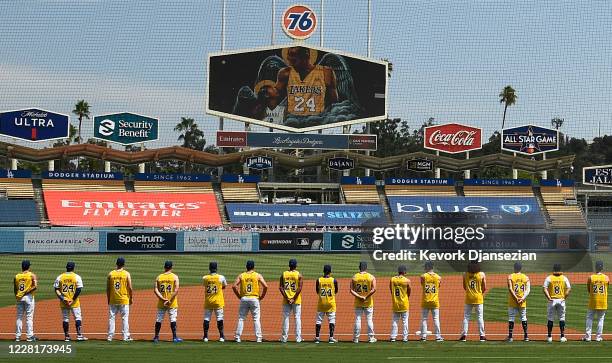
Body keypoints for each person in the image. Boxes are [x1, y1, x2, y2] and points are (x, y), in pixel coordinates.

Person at [275, 46, 338, 117]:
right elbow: (274, 98)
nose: (290, 64)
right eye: (289, 60)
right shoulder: (285, 73)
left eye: (294, 61)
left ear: (305, 57)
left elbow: (334, 103)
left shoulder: (325, 72)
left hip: (317, 119)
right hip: (293, 120)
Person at [233, 260, 268, 342]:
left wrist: (239, 296)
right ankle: (259, 338)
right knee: (256, 319)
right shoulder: (257, 275)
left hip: (244, 298)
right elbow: (266, 286)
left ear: (246, 267)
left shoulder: (242, 275)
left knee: (241, 318)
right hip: (254, 298)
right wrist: (262, 296)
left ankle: (237, 337)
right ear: (253, 267)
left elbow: (234, 286)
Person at [54, 261, 87, 341]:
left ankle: (67, 336)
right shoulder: (77, 277)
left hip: (64, 302)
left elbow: (56, 290)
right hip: (74, 302)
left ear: (66, 267)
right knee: (78, 317)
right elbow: (79, 290)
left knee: (65, 318)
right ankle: (79, 335)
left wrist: (63, 298)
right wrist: (72, 299)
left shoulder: (60, 277)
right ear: (73, 268)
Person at [153, 261, 182, 343]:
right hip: (172, 302)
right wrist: (169, 300)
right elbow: (176, 290)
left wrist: (162, 299)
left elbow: (155, 290)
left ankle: (156, 337)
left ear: (164, 267)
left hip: (161, 303)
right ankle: (174, 337)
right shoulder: (175, 277)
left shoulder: (159, 277)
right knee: (173, 319)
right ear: (171, 267)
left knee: (159, 319)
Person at [543, 263, 571, 343]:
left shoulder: (549, 278)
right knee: (562, 318)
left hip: (552, 300)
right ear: (560, 269)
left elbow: (544, 288)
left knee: (550, 318)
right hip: (561, 300)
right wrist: (564, 298)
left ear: (553, 269)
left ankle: (549, 337)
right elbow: (569, 289)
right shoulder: (564, 278)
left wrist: (549, 298)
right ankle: (562, 337)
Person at [107, 257, 133, 342]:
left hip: (113, 299)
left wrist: (108, 299)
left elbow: (108, 289)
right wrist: (131, 298)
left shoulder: (111, 274)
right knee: (125, 318)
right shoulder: (126, 274)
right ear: (124, 264)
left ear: (116, 263)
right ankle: (125, 336)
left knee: (112, 318)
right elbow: (130, 288)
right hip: (124, 299)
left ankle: (110, 337)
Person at [350, 261, 377, 343]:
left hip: (358, 302)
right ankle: (371, 338)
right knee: (369, 320)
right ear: (366, 267)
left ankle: (356, 338)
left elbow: (351, 290)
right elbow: (374, 289)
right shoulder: (371, 277)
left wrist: (360, 297)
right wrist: (366, 297)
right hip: (368, 302)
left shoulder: (354, 277)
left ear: (359, 267)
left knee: (358, 319)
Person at [460, 261, 487, 342]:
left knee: (466, 317)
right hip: (478, 298)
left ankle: (464, 335)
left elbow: (464, 286)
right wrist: (479, 293)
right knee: (480, 317)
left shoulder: (465, 274)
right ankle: (482, 336)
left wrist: (469, 292)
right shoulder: (482, 274)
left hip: (468, 298)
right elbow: (484, 287)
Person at [583, 261, 608, 342]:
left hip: (593, 301)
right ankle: (598, 337)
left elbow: (588, 288)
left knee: (589, 318)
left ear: (595, 267)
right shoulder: (606, 278)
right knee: (601, 319)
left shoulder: (591, 277)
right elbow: (607, 286)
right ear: (602, 268)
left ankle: (588, 337)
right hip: (603, 301)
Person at [279, 258, 303, 343]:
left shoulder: (283, 274)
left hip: (286, 300)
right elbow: (300, 288)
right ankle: (298, 338)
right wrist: (293, 298)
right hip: (296, 300)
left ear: (289, 265)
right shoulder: (299, 275)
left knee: (286, 317)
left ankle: (284, 338)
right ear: (296, 265)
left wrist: (287, 298)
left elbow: (280, 287)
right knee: (297, 318)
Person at [203, 261, 227, 342]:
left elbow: (205, 286)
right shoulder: (221, 277)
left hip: (208, 301)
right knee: (219, 318)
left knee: (206, 318)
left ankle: (205, 337)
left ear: (209, 268)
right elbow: (224, 286)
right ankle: (221, 337)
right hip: (218, 301)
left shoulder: (205, 278)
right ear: (216, 268)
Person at [419, 261, 443, 342]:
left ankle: (423, 337)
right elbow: (439, 285)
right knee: (436, 319)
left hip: (425, 300)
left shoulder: (423, 276)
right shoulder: (438, 277)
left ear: (427, 267)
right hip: (435, 301)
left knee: (424, 319)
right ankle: (438, 337)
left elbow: (422, 284)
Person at [14, 260, 37, 342]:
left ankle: (17, 336)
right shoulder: (32, 275)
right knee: (29, 317)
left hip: (19, 298)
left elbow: (15, 289)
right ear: (28, 267)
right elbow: (35, 287)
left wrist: (18, 295)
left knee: (19, 317)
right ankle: (29, 336)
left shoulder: (17, 276)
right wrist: (26, 292)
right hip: (28, 297)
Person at [507, 262, 530, 342]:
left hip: (513, 301)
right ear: (521, 268)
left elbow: (510, 288)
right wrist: (522, 298)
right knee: (523, 317)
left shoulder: (510, 276)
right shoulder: (526, 277)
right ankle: (526, 336)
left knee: (511, 318)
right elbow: (528, 290)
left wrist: (516, 298)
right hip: (522, 301)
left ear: (514, 267)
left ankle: (510, 337)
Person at [315, 264, 338, 344]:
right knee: (332, 320)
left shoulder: (319, 280)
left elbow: (317, 291)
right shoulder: (334, 280)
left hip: (321, 303)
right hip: (331, 303)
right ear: (330, 271)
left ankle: (317, 338)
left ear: (323, 271)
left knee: (319, 320)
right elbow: (336, 291)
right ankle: (331, 338)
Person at [389, 265, 410, 342]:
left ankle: (393, 337)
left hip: (396, 303)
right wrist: (406, 297)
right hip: (404, 303)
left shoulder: (392, 279)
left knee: (395, 320)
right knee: (405, 321)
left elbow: (391, 289)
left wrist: (394, 296)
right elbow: (409, 290)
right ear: (404, 271)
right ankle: (405, 337)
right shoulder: (407, 280)